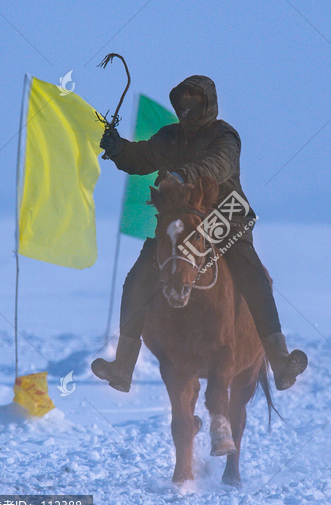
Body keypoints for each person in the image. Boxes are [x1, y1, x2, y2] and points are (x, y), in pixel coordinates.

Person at [91, 75, 308, 392]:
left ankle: (279, 360)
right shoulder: (169, 136)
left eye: (195, 99)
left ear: (209, 102)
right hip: (178, 222)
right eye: (183, 99)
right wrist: (118, 148)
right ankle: (123, 366)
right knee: (136, 280)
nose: (188, 105)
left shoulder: (225, 136)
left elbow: (217, 166)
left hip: (224, 217)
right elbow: (142, 158)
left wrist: (181, 174)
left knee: (252, 276)